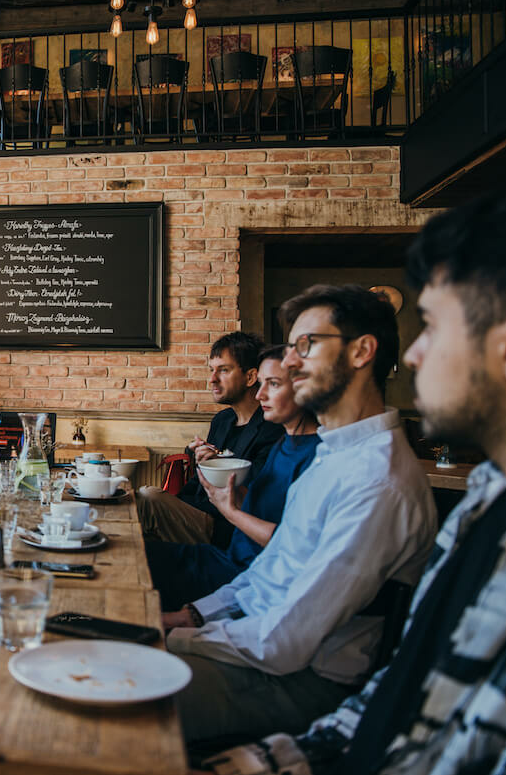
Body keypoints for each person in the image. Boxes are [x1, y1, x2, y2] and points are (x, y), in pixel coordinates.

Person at [202, 184, 506, 775]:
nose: (411, 357)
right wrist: (273, 759)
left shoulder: (384, 482)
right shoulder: (486, 504)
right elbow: (402, 694)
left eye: (432, 327)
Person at [164, 285, 437, 743]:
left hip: (302, 683)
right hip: (253, 644)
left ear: (361, 352)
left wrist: (171, 637)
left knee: (103, 699)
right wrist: (193, 614)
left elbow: (286, 641)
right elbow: (268, 572)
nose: (289, 363)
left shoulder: (376, 481)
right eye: (290, 348)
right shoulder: (335, 451)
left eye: (305, 346)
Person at [146, 344, 319, 611]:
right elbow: (255, 499)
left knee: (143, 528)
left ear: (305, 388)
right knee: (134, 554)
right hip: (234, 556)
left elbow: (293, 546)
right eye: (262, 384)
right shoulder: (286, 443)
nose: (260, 395)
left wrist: (230, 508)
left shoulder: (313, 453)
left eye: (272, 384)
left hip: (244, 567)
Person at [137, 332, 284, 546]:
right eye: (211, 370)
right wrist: (195, 457)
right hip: (197, 510)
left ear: (251, 377)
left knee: (148, 498)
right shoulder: (222, 420)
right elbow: (197, 483)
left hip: (226, 526)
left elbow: (258, 488)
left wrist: (218, 464)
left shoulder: (273, 427)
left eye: (223, 370)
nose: (212, 379)